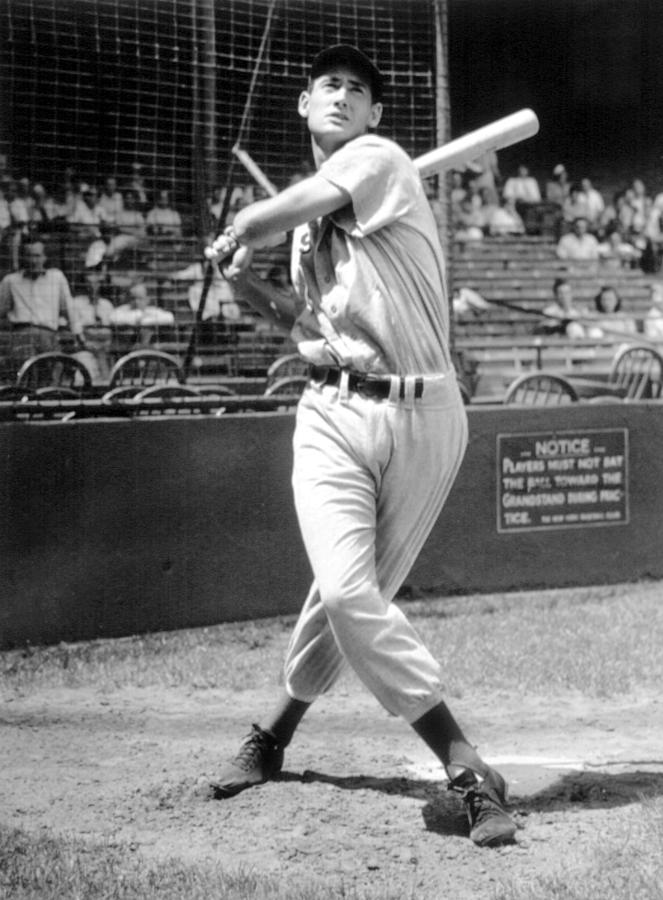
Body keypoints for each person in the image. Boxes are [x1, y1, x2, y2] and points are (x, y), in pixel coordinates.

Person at [204, 43, 516, 848]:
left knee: (351, 595)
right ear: (303, 104)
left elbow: (272, 211)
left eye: (357, 89)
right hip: (331, 410)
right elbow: (306, 326)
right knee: (348, 594)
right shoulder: (310, 233)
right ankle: (465, 765)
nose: (342, 94)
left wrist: (238, 227)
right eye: (328, 86)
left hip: (425, 410)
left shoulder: (375, 161)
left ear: (376, 115)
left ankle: (270, 738)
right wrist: (245, 285)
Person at [0, 240, 83, 370]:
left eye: (37, 255)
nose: (33, 260)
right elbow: (1, 309)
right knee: (24, 379)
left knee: (49, 379)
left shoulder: (56, 278)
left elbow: (68, 307)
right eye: (29, 255)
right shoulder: (11, 281)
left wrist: (78, 332)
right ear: (23, 257)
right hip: (21, 335)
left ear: (45, 257)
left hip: (48, 335)